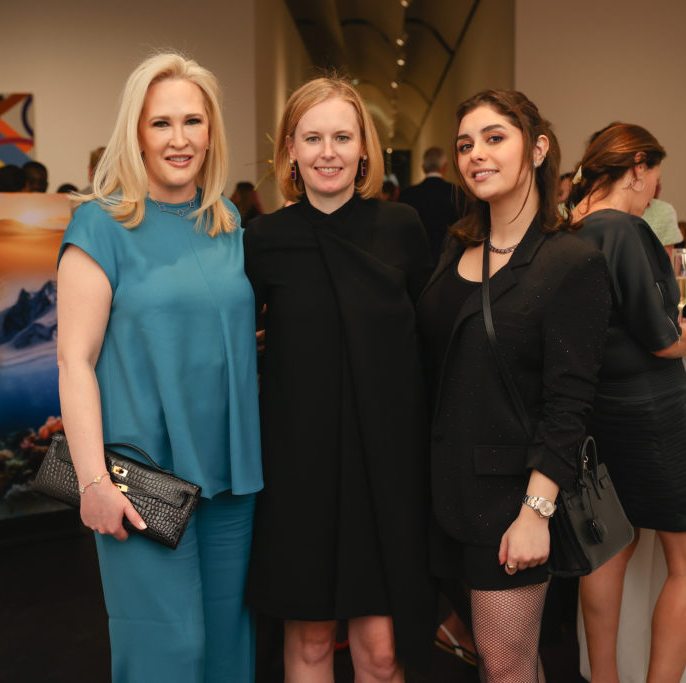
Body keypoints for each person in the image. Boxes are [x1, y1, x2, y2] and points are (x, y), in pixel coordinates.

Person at [56, 52, 262, 683]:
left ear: (211, 131)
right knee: (167, 655)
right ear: (136, 133)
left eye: (193, 122)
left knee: (229, 650)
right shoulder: (101, 223)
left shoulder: (225, 221)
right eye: (161, 123)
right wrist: (93, 483)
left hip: (230, 477)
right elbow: (74, 360)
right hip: (141, 479)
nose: (180, 139)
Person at [244, 76, 437, 681]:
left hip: (386, 469)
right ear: (291, 152)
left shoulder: (402, 226)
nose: (328, 151)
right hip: (298, 470)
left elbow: (434, 345)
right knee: (308, 643)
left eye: (342, 137)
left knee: (382, 651)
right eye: (313, 138)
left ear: (364, 150)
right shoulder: (263, 239)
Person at [416, 89, 610, 682]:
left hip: (510, 505)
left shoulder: (569, 261)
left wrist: (536, 512)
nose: (477, 153)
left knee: (505, 668)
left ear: (538, 148)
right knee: (492, 663)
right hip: (439, 496)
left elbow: (570, 403)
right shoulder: (456, 247)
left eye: (495, 137)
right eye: (466, 144)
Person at [567, 122, 686, 683]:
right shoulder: (621, 228)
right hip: (649, 411)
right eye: (656, 174)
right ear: (637, 164)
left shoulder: (572, 225)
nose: (657, 188)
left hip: (595, 409)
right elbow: (663, 340)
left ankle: (604, 677)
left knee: (611, 546)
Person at [400, 146, 464, 260]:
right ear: (445, 167)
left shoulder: (407, 195)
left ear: (423, 167)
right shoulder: (457, 193)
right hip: (449, 260)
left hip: (416, 261)